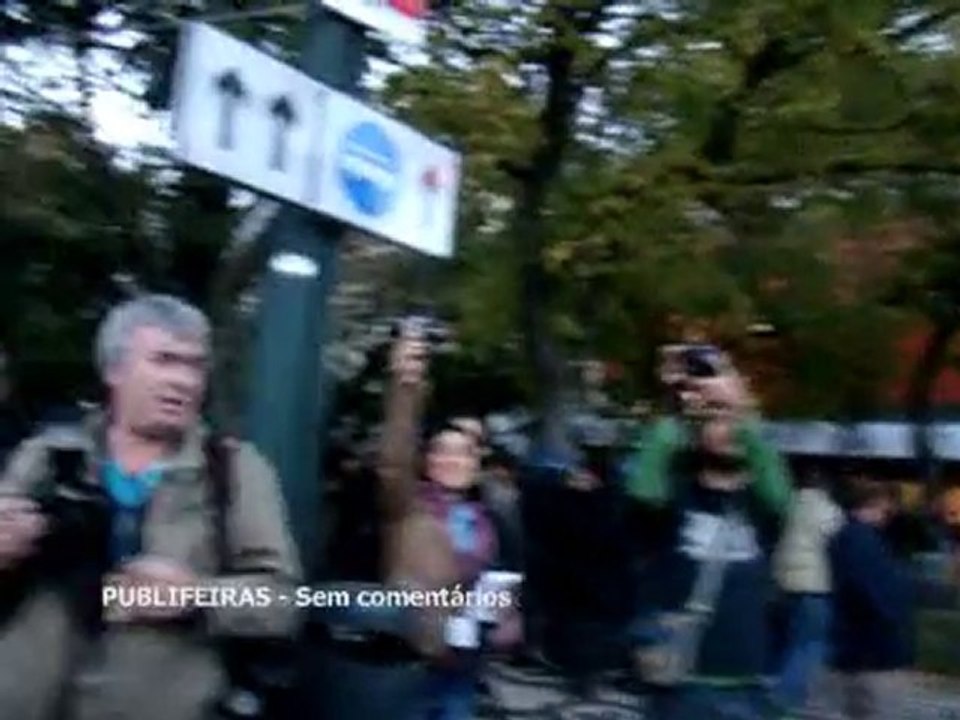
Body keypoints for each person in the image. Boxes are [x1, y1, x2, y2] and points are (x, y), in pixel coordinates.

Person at [0, 294, 301, 720]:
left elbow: (285, 603)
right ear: (114, 369)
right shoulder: (48, 455)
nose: (184, 381)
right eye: (164, 360)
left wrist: (197, 596)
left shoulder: (233, 469)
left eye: (194, 365)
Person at [625, 343, 792, 720]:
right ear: (696, 431)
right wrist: (675, 396)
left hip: (749, 686)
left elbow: (779, 492)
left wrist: (737, 402)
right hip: (680, 685)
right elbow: (643, 487)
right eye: (715, 418)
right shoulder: (674, 497)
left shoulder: (760, 505)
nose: (728, 428)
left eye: (732, 419)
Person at [377, 331, 499, 720]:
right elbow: (395, 459)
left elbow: (499, 583)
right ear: (428, 460)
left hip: (463, 667)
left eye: (462, 453)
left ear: (477, 463)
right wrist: (406, 389)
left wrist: (501, 615)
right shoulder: (408, 507)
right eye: (441, 451)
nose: (451, 460)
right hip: (412, 660)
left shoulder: (487, 518)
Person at [827, 477, 913, 720]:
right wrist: (897, 622)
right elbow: (877, 592)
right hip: (875, 652)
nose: (889, 514)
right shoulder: (863, 542)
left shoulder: (848, 537)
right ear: (873, 505)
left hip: (857, 649)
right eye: (886, 508)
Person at [771, 468, 843, 716]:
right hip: (814, 585)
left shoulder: (785, 505)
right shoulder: (829, 511)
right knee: (810, 645)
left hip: (782, 583)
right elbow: (839, 544)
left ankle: (771, 688)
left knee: (784, 643)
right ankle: (788, 700)